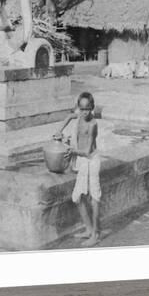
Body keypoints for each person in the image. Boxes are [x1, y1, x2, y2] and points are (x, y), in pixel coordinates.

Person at [55, 92, 101, 246]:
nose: (84, 112)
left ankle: (95, 235)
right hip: (82, 160)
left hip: (92, 160)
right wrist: (59, 130)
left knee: (94, 198)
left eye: (87, 109)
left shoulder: (93, 124)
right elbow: (69, 117)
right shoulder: (79, 115)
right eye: (82, 109)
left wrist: (72, 151)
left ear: (92, 108)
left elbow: (87, 151)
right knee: (77, 197)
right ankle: (88, 229)